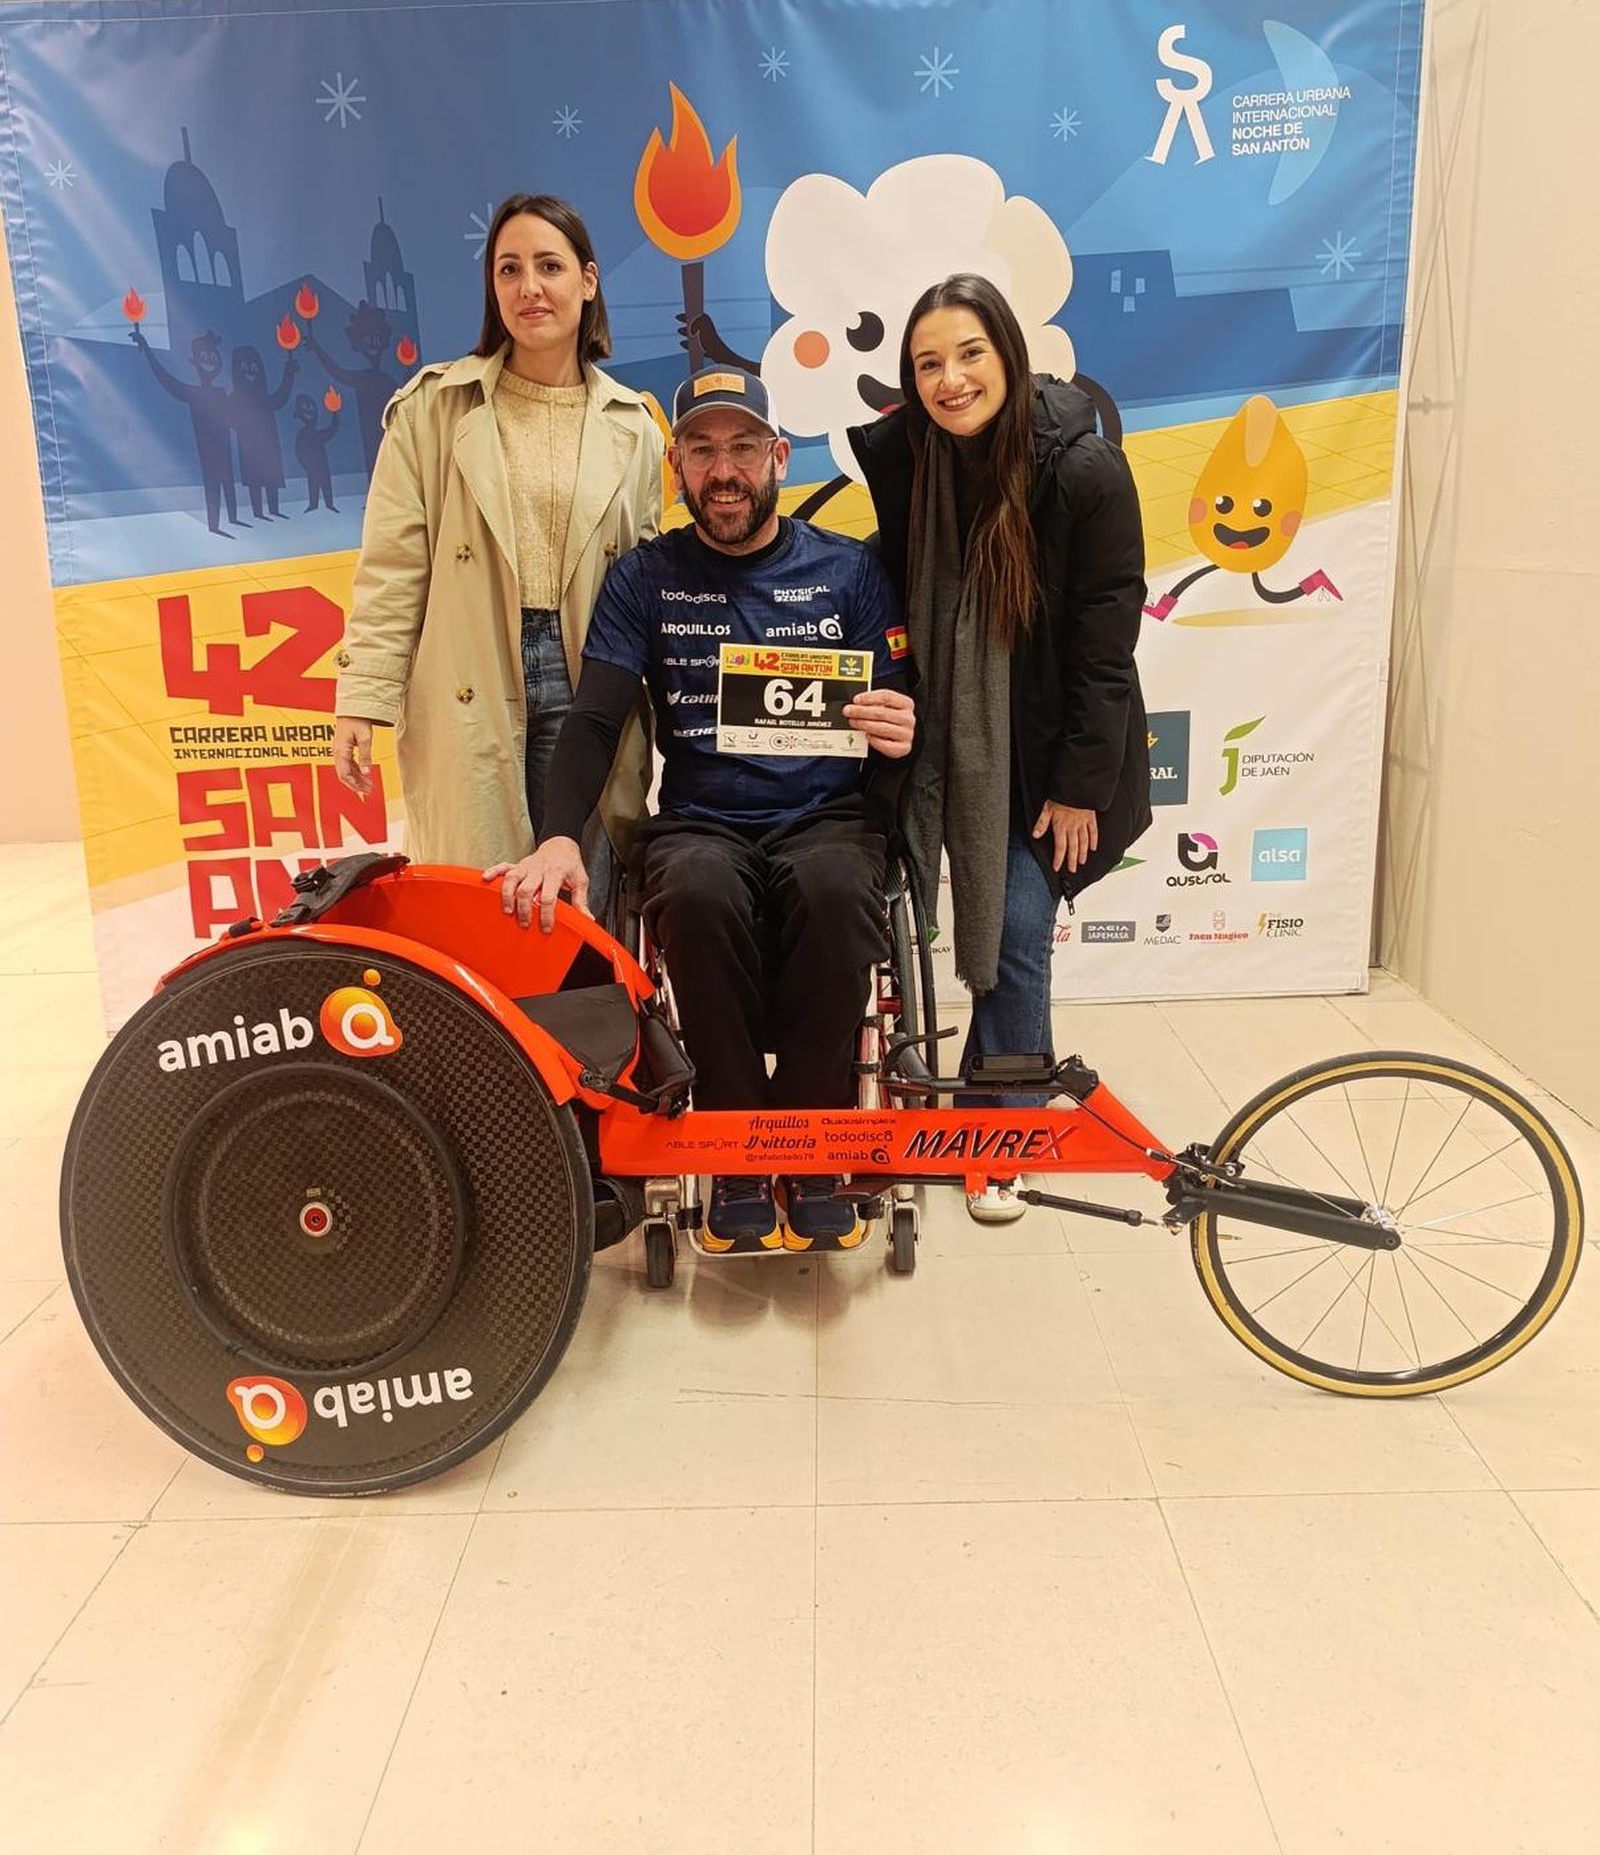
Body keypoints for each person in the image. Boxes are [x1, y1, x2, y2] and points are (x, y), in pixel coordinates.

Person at [494, 364, 916, 1253]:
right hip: (702, 820)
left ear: (778, 458)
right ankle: (734, 1150)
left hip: (827, 815)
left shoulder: (849, 571)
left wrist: (901, 726)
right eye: (701, 450)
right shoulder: (643, 580)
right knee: (691, 893)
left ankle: (809, 1147)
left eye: (742, 448)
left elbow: (899, 703)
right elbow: (595, 717)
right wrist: (558, 837)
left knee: (841, 892)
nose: (723, 471)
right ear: (677, 467)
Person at [848, 273, 1150, 1218]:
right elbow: (887, 581)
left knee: (1015, 927)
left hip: (1045, 752)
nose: (951, 380)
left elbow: (1106, 647)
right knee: (953, 913)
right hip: (936, 733)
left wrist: (1080, 785)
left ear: (1010, 355)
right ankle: (982, 1098)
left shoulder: (1084, 472)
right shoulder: (911, 459)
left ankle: (1006, 1137)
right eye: (928, 363)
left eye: (970, 354)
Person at [331, 195, 661, 911]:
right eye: (509, 269)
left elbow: (646, 583)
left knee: (581, 902)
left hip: (591, 679)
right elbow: (393, 569)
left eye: (549, 266)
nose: (529, 287)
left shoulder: (634, 426)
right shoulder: (433, 409)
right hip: (467, 674)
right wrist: (362, 698)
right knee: (481, 905)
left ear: (589, 280)